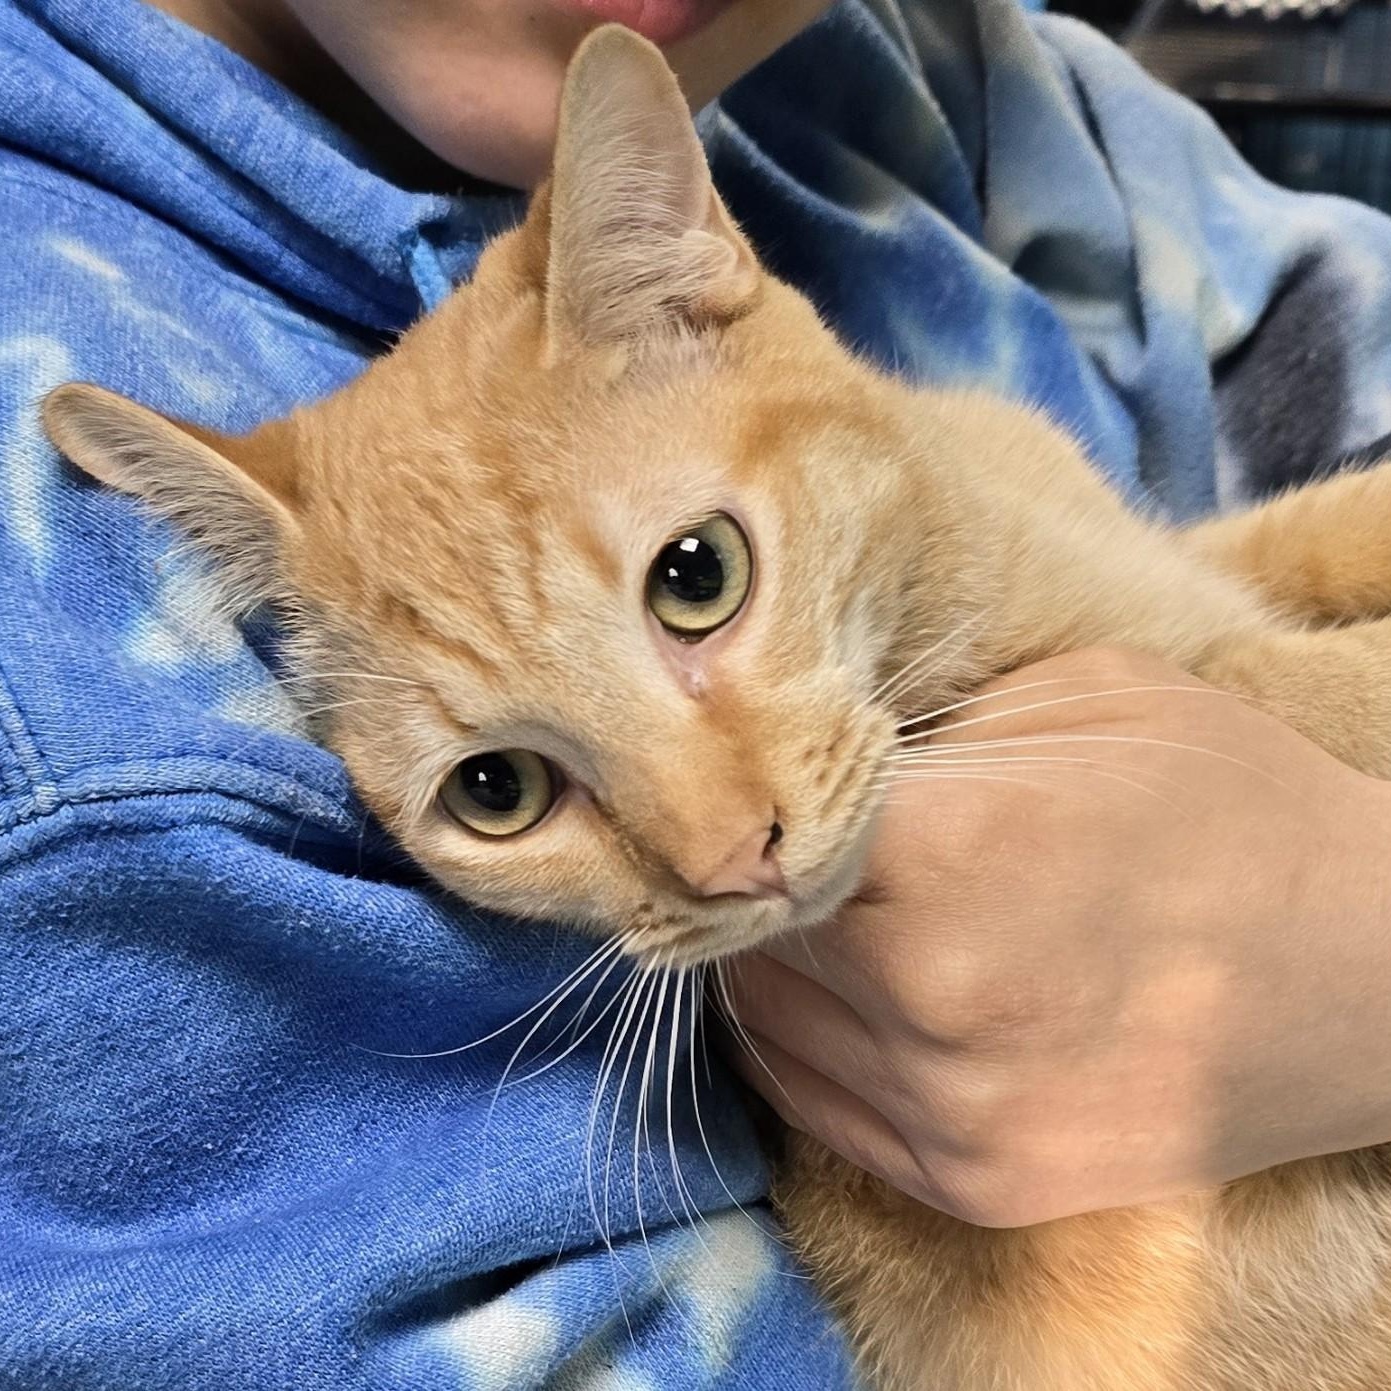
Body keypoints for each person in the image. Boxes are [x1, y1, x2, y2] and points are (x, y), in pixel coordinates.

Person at [3, 0, 1391, 1386]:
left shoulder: (929, 77)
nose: (722, 851)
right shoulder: (62, 659)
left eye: (691, 582)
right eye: (502, 787)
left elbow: (1219, 551)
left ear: (695, 275)